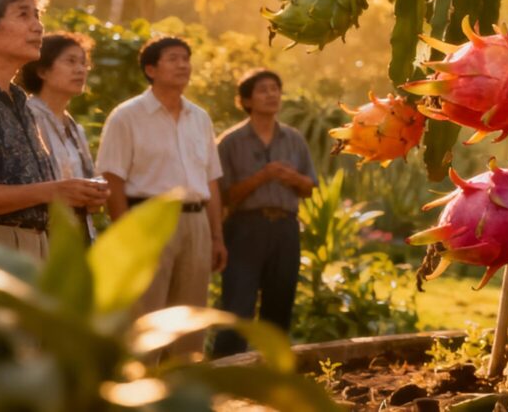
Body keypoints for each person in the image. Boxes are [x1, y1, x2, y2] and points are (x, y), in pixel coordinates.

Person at [97, 36, 226, 356]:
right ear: (151, 69)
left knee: (190, 319)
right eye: (173, 58)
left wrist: (217, 237)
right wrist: (126, 236)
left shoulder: (200, 117)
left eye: (186, 58)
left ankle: (183, 396)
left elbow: (211, 181)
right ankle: (140, 398)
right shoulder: (126, 116)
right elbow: (112, 177)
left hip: (196, 223)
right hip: (148, 222)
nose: (183, 64)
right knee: (145, 318)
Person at [0, 0, 107, 259]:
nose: (38, 27)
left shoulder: (19, 102)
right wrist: (55, 192)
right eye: (23, 15)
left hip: (36, 245)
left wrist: (77, 194)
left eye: (38, 15)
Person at [213, 69, 316, 358]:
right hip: (245, 228)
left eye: (275, 89)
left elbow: (309, 187)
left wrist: (292, 178)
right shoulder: (230, 142)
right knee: (237, 306)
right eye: (263, 90)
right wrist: (262, 177)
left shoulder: (294, 139)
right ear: (246, 100)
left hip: (285, 228)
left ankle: (274, 374)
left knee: (280, 303)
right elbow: (224, 195)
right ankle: (227, 373)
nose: (272, 95)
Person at [19, 32, 101, 243]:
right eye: (70, 61)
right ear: (42, 70)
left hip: (77, 233)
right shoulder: (27, 116)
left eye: (84, 63)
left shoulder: (73, 126)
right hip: (41, 235)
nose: (80, 69)